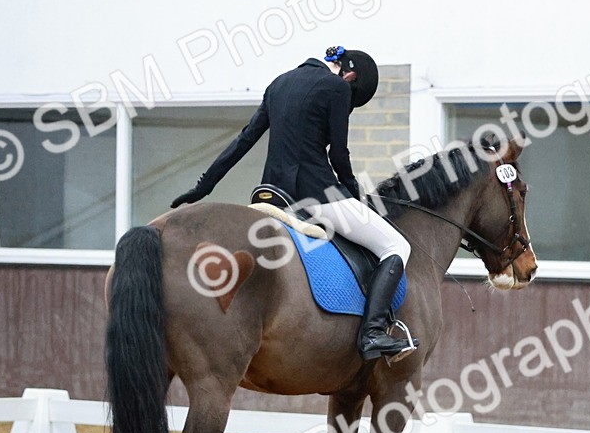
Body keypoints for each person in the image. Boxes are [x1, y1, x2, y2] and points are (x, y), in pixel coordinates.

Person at [170, 46, 417, 362]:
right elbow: (338, 154)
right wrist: (354, 196)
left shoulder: (279, 83)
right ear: (351, 77)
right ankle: (373, 333)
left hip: (271, 192)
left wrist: (203, 187)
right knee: (396, 246)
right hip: (317, 195)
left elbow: (244, 140)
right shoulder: (338, 87)